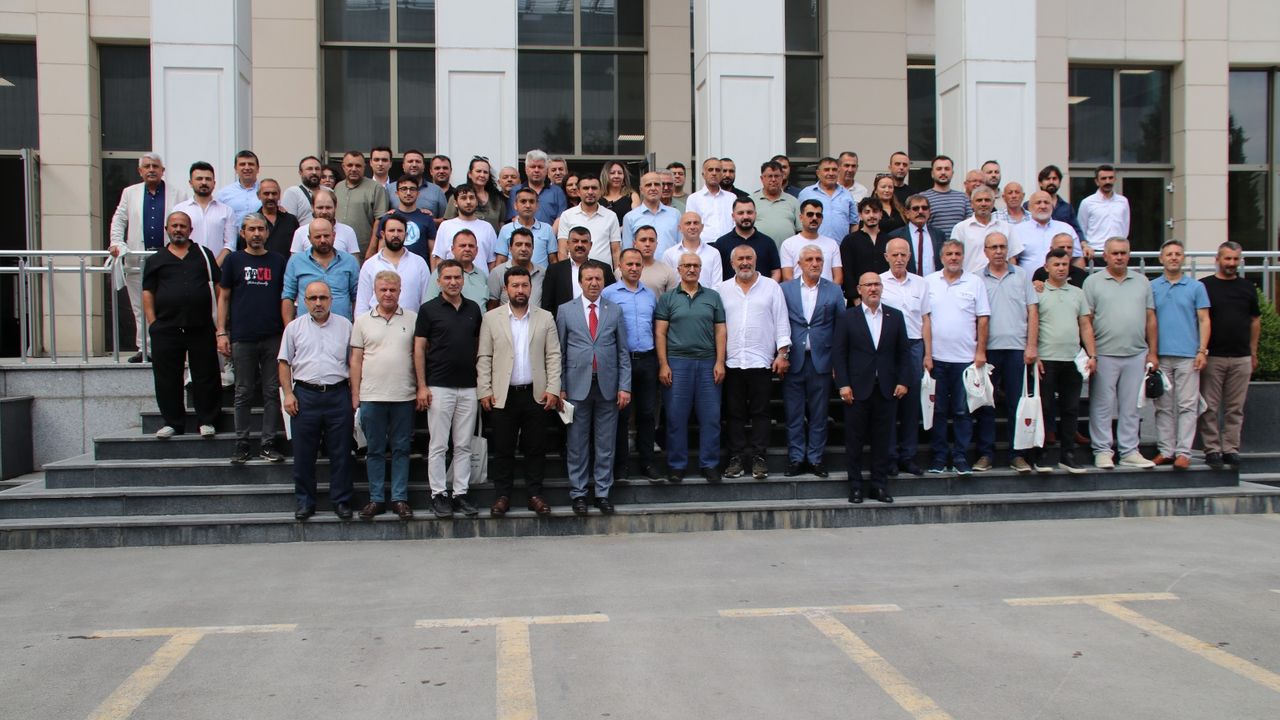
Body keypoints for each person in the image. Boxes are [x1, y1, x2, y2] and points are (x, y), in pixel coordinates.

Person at [478, 266, 562, 517]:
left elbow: (553, 355)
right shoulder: (491, 318)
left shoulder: (545, 317)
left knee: (535, 448)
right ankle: (502, 496)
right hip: (502, 395)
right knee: (503, 449)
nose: (520, 290)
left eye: (524, 285)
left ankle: (535, 495)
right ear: (506, 289)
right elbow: (484, 356)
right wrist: (484, 390)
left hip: (536, 394)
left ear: (531, 288)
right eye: (515, 285)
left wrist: (553, 388)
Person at [557, 260, 631, 514]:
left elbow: (623, 352)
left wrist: (625, 386)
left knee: (605, 443)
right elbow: (559, 352)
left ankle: (602, 493)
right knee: (577, 444)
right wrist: (560, 387)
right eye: (588, 279)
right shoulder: (565, 310)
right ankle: (578, 493)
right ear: (580, 282)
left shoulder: (614, 310)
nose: (593, 283)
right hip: (576, 387)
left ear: (604, 281)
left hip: (608, 387)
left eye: (598, 279)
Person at [278, 280, 354, 521]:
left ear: (331, 300)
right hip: (305, 396)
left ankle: (341, 501)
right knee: (303, 453)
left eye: (323, 298)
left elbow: (354, 362)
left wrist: (354, 395)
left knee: (341, 452)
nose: (318, 303)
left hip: (338, 394)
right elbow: (284, 362)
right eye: (313, 298)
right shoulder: (294, 328)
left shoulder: (346, 326)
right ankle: (305, 502)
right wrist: (288, 394)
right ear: (304, 301)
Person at [414, 259, 484, 519]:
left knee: (463, 444)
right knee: (438, 445)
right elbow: (419, 348)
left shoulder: (473, 308)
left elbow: (479, 345)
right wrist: (422, 386)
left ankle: (460, 493)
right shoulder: (428, 310)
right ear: (439, 281)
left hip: (468, 386)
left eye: (457, 277)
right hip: (439, 385)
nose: (453, 282)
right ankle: (438, 494)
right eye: (448, 278)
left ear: (463, 280)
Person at [143, 211, 221, 439]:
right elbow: (148, 292)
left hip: (201, 325)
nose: (178, 229)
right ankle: (173, 423)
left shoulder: (203, 255)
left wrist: (220, 322)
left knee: (206, 375)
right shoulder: (156, 259)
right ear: (167, 229)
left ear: (190, 229)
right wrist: (153, 323)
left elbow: (218, 287)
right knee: (167, 378)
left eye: (183, 226)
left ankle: (207, 420)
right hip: (166, 327)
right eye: (174, 225)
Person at [835, 272, 911, 503]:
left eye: (877, 284)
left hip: (886, 388)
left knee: (882, 440)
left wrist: (903, 381)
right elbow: (839, 353)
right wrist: (843, 384)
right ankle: (855, 486)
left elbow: (903, 352)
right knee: (854, 440)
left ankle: (879, 486)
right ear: (859, 289)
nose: (873, 288)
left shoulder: (895, 316)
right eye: (868, 285)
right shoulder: (848, 317)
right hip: (856, 389)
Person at [715, 245, 790, 479]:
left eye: (749, 258)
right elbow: (716, 326)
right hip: (732, 361)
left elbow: (781, 321)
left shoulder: (771, 287)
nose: (745, 262)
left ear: (756, 261)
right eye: (740, 259)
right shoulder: (722, 289)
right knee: (734, 413)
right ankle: (736, 457)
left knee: (761, 412)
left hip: (761, 360)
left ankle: (759, 457)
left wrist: (782, 353)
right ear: (732, 263)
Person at [1083, 237, 1158, 470]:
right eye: (1114, 253)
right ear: (1105, 255)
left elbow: (1150, 318)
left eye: (1123, 253)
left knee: (1131, 407)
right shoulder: (1092, 282)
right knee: (1102, 406)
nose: (1119, 257)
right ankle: (1102, 451)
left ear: (1129, 254)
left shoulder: (1142, 282)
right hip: (1104, 353)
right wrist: (1092, 354)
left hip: (1136, 353)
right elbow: (1086, 320)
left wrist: (1153, 353)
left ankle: (1129, 451)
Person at [217, 212, 287, 463]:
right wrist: (221, 331)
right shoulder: (234, 260)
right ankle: (242, 443)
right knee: (243, 392)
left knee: (272, 392)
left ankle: (268, 444)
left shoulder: (278, 261)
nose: (256, 234)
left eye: (261, 229)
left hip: (273, 335)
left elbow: (285, 297)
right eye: (251, 229)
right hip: (242, 336)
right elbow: (224, 297)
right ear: (242, 233)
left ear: (267, 232)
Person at [351, 271, 420, 521]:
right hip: (372, 395)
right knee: (375, 450)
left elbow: (418, 355)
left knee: (401, 448)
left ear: (400, 291)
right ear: (375, 291)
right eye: (383, 290)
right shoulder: (362, 321)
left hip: (404, 394)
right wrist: (355, 394)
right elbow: (356, 360)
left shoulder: (413, 318)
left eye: (392, 290)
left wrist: (420, 387)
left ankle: (399, 498)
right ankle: (376, 499)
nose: (388, 294)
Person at [109, 152, 189, 362]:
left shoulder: (178, 194)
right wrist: (117, 242)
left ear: (163, 170)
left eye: (155, 166)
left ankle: (168, 346)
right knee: (140, 307)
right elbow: (119, 219)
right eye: (147, 166)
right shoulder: (130, 193)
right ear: (140, 171)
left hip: (168, 259)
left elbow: (185, 223)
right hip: (138, 259)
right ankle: (144, 349)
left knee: (169, 304)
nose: (151, 170)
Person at [655, 252, 727, 482]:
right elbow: (660, 332)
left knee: (711, 417)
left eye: (696, 265)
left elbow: (720, 330)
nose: (691, 269)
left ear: (701, 269)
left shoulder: (713, 297)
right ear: (678, 269)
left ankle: (709, 464)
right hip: (677, 363)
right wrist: (663, 364)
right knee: (676, 417)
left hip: (708, 363)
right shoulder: (668, 298)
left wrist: (720, 361)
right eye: (686, 265)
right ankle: (677, 465)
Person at [973, 232, 1040, 473]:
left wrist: (1031, 346)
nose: (999, 251)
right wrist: (977, 349)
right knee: (986, 405)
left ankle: (1017, 454)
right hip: (988, 350)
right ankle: (985, 454)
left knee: (1016, 405)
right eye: (993, 247)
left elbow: (1033, 311)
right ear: (985, 251)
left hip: (1017, 349)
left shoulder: (1022, 275)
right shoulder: (976, 278)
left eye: (1002, 246)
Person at [922, 239, 990, 475]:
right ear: (941, 258)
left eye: (957, 253)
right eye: (949, 253)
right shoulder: (929, 282)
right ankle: (939, 457)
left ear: (963, 256)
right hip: (937, 358)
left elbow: (983, 319)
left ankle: (960, 456)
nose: (953, 257)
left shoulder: (975, 282)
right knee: (938, 411)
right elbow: (925, 319)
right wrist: (927, 354)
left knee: (962, 411)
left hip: (965, 359)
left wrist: (980, 351)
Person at [781, 244, 845, 476]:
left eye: (819, 259)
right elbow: (778, 322)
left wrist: (838, 362)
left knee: (819, 414)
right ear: (799, 264)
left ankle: (816, 459)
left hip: (822, 360)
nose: (815, 263)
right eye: (809, 259)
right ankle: (796, 458)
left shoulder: (834, 290)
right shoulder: (785, 289)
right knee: (794, 413)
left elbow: (841, 328)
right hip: (793, 360)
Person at [1150, 239, 1211, 469]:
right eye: (1169, 254)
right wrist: (1150, 352)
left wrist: (1202, 350)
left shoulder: (1196, 287)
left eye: (1178, 254)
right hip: (1160, 356)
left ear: (1183, 258)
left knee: (1188, 405)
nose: (1174, 257)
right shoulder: (1152, 287)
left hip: (1188, 355)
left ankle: (1184, 452)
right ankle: (1166, 450)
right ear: (1161, 258)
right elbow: (1148, 321)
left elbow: (1204, 320)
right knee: (1163, 406)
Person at [1199, 241, 1261, 469]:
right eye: (1227, 258)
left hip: (1241, 357)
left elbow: (1255, 320)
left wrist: (1253, 352)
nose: (1231, 263)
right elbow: (1199, 320)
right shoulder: (1204, 286)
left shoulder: (1247, 287)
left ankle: (1231, 449)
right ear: (1217, 259)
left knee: (1235, 408)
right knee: (1210, 407)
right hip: (1213, 356)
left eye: (1236, 259)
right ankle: (1212, 449)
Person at [1035, 248, 1096, 473]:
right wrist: (1035, 355)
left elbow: (1085, 325)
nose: (1061, 268)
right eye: (1056, 264)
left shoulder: (1078, 293)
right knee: (1044, 408)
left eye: (1064, 264)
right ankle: (1041, 455)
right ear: (1046, 267)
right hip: (1046, 359)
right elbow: (1032, 325)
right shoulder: (1038, 292)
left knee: (1071, 408)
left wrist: (1092, 355)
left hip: (1072, 360)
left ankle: (1067, 455)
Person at [603, 248, 661, 481]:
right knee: (621, 414)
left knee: (647, 413)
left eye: (638, 264)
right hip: (621, 361)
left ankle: (648, 463)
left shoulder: (650, 294)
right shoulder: (608, 294)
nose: (634, 268)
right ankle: (621, 466)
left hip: (647, 359)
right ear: (620, 266)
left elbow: (655, 326)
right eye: (629, 264)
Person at [880, 238, 930, 476]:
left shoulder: (921, 283)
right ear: (886, 257)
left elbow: (926, 319)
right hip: (887, 348)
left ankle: (908, 456)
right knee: (888, 403)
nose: (899, 259)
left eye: (903, 254)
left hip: (913, 346)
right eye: (894, 255)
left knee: (911, 405)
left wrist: (928, 353)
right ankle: (889, 457)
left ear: (909, 257)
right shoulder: (878, 282)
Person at [282, 217, 360, 322]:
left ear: (334, 235)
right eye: (318, 237)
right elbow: (288, 296)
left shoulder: (349, 261)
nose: (323, 240)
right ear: (309, 238)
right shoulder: (296, 261)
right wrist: (289, 328)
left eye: (326, 236)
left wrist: (356, 326)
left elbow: (357, 297)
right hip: (306, 327)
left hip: (342, 327)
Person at [356, 215, 430, 314]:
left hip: (411, 322)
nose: (396, 235)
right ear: (383, 234)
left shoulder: (419, 263)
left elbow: (426, 300)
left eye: (400, 231)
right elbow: (362, 303)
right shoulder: (370, 265)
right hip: (376, 322)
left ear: (406, 235)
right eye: (391, 230)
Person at [172, 161, 237, 265]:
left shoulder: (226, 211)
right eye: (199, 179)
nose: (204, 182)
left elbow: (230, 244)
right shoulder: (180, 210)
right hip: (187, 268)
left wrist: (214, 267)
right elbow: (174, 242)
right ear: (190, 183)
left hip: (218, 269)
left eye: (208, 179)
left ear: (214, 183)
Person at [543, 226, 616, 313]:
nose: (580, 245)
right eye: (575, 241)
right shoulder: (555, 270)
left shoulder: (604, 269)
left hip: (598, 319)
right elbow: (547, 304)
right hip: (564, 320)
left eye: (584, 241)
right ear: (568, 244)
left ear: (590, 245)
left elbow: (613, 299)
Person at [555, 175, 621, 267]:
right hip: (574, 273)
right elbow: (562, 250)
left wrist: (618, 273)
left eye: (594, 188)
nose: (590, 192)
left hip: (603, 273)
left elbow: (616, 251)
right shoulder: (567, 215)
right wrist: (566, 273)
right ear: (578, 192)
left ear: (600, 191)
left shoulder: (611, 216)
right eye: (586, 188)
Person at [334, 150, 390, 256]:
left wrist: (372, 249)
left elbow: (380, 221)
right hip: (338, 248)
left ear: (364, 167)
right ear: (343, 167)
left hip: (363, 250)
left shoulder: (376, 188)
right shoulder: (338, 187)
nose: (354, 169)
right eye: (350, 165)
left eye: (358, 166)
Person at [369, 176, 438, 262]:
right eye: (404, 189)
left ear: (418, 193)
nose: (408, 193)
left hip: (419, 267)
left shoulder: (427, 218)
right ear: (397, 193)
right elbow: (381, 249)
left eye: (412, 189)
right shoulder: (387, 218)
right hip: (392, 268)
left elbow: (433, 251)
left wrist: (433, 271)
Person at [1012, 190, 1083, 273]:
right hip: (1028, 280)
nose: (1043, 206)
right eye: (1038, 203)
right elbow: (1012, 259)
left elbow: (1077, 258)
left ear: (1052, 206)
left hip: (1061, 280)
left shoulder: (1066, 229)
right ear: (1029, 207)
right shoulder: (1018, 230)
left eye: (1046, 202)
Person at [433, 185, 500, 270]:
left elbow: (492, 262)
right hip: (453, 277)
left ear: (477, 201)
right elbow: (439, 259)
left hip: (480, 278)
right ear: (455, 203)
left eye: (471, 198)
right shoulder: (445, 226)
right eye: (463, 198)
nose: (468, 202)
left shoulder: (487, 228)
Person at [715, 197, 782, 281]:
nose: (745, 216)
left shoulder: (768, 242)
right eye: (740, 213)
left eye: (749, 212)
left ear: (755, 214)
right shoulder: (721, 243)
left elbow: (776, 272)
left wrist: (768, 287)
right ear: (733, 216)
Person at [951, 186, 1013, 274]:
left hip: (1000, 279)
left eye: (987, 200)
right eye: (979, 200)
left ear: (993, 203)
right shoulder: (961, 228)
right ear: (971, 204)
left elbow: (1012, 257)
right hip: (971, 279)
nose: (983, 204)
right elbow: (954, 258)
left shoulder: (1006, 227)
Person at [780, 199, 843, 285]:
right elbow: (788, 277)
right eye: (810, 214)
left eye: (818, 215)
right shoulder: (788, 244)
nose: (814, 218)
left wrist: (830, 292)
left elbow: (838, 277)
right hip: (798, 292)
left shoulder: (832, 244)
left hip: (827, 292)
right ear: (801, 218)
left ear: (822, 219)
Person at [839, 197, 891, 301]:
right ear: (860, 215)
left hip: (887, 297)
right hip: (858, 299)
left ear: (881, 214)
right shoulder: (850, 240)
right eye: (867, 212)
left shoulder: (889, 240)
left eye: (875, 211)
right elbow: (847, 272)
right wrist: (855, 299)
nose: (871, 215)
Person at [424, 228, 490, 308]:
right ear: (452, 249)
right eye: (462, 246)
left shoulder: (482, 275)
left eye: (471, 246)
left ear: (476, 250)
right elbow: (429, 307)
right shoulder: (440, 273)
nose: (467, 249)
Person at [1076, 164, 1130, 258]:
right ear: (1097, 181)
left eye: (1110, 178)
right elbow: (1081, 228)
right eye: (1103, 178)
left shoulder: (1123, 201)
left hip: (1118, 251)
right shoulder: (1087, 202)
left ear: (1115, 179)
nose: (1107, 181)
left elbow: (1125, 228)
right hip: (1095, 252)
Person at [288, 187, 361, 257]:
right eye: (320, 208)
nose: (324, 212)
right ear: (312, 208)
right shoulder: (300, 233)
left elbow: (354, 263)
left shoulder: (348, 232)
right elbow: (294, 263)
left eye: (328, 207)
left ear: (335, 207)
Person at [885, 194, 946, 276]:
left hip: (934, 282)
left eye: (924, 208)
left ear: (929, 212)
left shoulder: (939, 235)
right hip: (907, 282)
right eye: (915, 208)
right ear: (907, 213)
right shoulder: (895, 236)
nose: (920, 211)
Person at [444, 157, 507, 235]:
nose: (482, 175)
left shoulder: (497, 199)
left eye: (485, 172)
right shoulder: (458, 196)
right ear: (470, 174)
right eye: (478, 171)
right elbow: (448, 225)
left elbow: (501, 225)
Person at [622, 171, 680, 256]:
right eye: (648, 185)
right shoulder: (630, 217)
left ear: (661, 188)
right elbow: (627, 251)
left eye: (656, 184)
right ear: (641, 190)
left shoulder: (675, 214)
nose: (653, 188)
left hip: (669, 264)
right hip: (641, 264)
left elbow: (681, 246)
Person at [798, 156, 855, 241]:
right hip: (813, 246)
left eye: (834, 170)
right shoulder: (806, 193)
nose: (831, 173)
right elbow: (799, 222)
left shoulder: (847, 194)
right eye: (826, 170)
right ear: (818, 173)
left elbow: (854, 223)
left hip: (842, 246)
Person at [497, 186, 557, 267]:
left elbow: (553, 260)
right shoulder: (506, 229)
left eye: (531, 201)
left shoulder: (547, 229)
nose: (528, 205)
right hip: (513, 274)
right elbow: (501, 260)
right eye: (523, 201)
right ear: (515, 205)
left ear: (537, 205)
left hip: (541, 275)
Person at [487, 227, 545, 309]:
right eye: (519, 244)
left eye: (528, 245)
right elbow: (492, 306)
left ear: (533, 248)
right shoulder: (497, 273)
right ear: (510, 248)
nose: (523, 249)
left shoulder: (543, 273)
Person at [662, 212, 723, 286]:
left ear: (702, 227)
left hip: (707, 294)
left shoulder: (713, 253)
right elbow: (668, 285)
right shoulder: (669, 254)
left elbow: (717, 285)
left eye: (696, 223)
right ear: (680, 228)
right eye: (688, 223)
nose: (692, 227)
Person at [751, 160, 802, 248]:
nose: (773, 179)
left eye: (777, 176)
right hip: (758, 252)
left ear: (782, 177)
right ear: (762, 179)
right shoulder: (751, 201)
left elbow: (801, 231)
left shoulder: (793, 201)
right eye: (770, 176)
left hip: (787, 252)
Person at [684, 157, 735, 243]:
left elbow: (735, 223)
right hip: (704, 245)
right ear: (703, 174)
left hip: (728, 244)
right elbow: (690, 225)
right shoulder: (693, 198)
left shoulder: (731, 198)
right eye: (710, 170)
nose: (714, 173)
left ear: (721, 174)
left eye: (717, 170)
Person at [509, 149, 567, 225]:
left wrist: (548, 231)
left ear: (546, 170)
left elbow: (561, 218)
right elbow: (515, 218)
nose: (536, 170)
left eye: (540, 167)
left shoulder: (557, 191)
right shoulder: (515, 191)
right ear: (526, 170)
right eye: (533, 167)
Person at [921, 155, 972, 241]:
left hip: (959, 247)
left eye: (947, 169)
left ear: (952, 173)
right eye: (939, 169)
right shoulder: (923, 198)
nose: (943, 172)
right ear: (932, 173)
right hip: (934, 246)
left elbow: (970, 225)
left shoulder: (963, 198)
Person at [1035, 164, 1086, 249]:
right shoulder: (1030, 206)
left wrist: (1084, 245)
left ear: (1059, 182)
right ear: (1040, 183)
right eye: (1048, 179)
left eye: (1054, 179)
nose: (1051, 182)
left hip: (1061, 250)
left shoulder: (1067, 208)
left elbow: (1076, 229)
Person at [389, 149, 448, 219]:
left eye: (418, 161)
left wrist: (428, 220)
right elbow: (383, 217)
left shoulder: (436, 191)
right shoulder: (390, 189)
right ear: (403, 166)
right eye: (410, 161)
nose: (414, 165)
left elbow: (445, 220)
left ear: (423, 166)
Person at [251, 179, 299, 257]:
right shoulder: (252, 222)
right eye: (266, 193)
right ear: (258, 195)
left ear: (279, 195)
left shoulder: (291, 220)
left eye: (274, 193)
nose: (271, 197)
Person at [214, 149, 261, 227]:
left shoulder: (267, 192)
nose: (247, 167)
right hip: (233, 234)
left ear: (258, 168)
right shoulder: (223, 194)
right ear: (235, 169)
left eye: (251, 164)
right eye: (242, 164)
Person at [633, 225, 679, 299]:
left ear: (656, 244)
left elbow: (672, 301)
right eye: (643, 240)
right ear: (634, 244)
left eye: (651, 240)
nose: (647, 244)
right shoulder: (622, 271)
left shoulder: (668, 272)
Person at [281, 156, 321, 224]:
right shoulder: (293, 193)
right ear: (300, 173)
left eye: (317, 169)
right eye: (309, 169)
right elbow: (288, 223)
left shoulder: (329, 192)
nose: (314, 172)